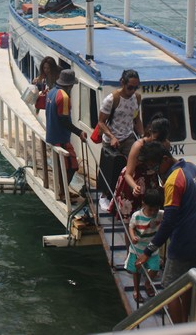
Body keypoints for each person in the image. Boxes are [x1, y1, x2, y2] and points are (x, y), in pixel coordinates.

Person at [135, 150, 196, 324]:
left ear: (165, 159)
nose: (157, 172)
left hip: (184, 241)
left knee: (169, 288)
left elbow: (169, 221)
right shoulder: (193, 168)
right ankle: (186, 323)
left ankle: (178, 328)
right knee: (186, 283)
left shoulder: (173, 182)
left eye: (156, 167)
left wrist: (148, 250)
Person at [97, 69, 143, 212]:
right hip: (112, 138)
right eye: (130, 87)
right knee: (111, 168)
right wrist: (112, 137)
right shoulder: (112, 99)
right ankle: (104, 195)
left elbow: (136, 119)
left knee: (134, 165)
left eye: (136, 87)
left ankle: (128, 193)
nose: (132, 90)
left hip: (128, 137)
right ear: (122, 82)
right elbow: (101, 122)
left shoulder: (137, 98)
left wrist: (142, 136)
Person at [45, 69, 87, 187]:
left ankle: (62, 191)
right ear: (70, 85)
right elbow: (64, 121)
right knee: (72, 166)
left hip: (52, 135)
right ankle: (63, 193)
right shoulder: (64, 97)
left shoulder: (51, 91)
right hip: (60, 139)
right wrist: (79, 132)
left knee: (61, 166)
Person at [126, 189, 163, 303]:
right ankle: (136, 290)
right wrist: (133, 237)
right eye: (150, 209)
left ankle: (147, 283)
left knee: (155, 269)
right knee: (136, 270)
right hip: (137, 248)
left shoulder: (160, 214)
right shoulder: (137, 216)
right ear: (144, 205)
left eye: (155, 210)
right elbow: (131, 227)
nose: (153, 212)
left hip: (152, 248)